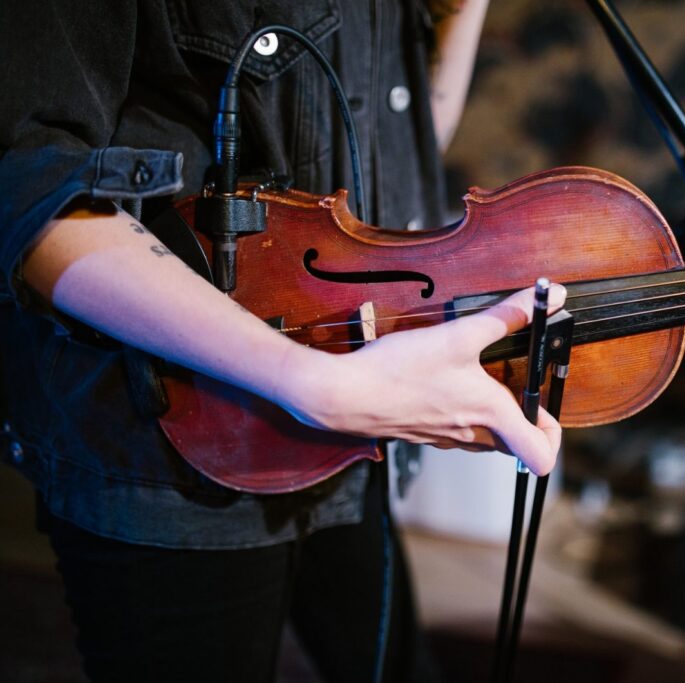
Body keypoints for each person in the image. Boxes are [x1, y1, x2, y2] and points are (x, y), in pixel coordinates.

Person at [0, 1, 562, 681]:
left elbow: (390, 150)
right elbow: (26, 180)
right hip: (178, 445)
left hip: (348, 415)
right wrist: (311, 382)